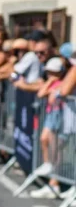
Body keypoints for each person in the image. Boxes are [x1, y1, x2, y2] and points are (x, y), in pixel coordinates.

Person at [30, 57, 67, 199]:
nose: (51, 75)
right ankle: (48, 166)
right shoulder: (52, 82)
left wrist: (52, 84)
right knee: (44, 139)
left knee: (55, 148)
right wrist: (50, 81)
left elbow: (52, 96)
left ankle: (54, 181)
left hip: (59, 116)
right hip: (51, 114)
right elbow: (41, 93)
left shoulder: (62, 83)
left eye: (54, 73)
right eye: (49, 72)